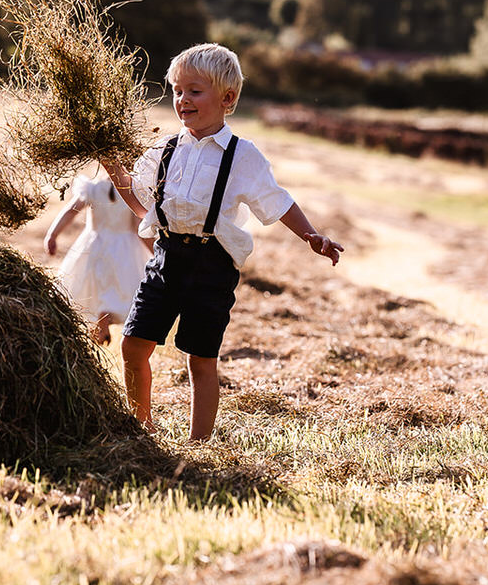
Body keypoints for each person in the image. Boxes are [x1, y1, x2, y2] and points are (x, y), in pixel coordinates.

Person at [100, 43, 343, 441]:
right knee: (133, 344)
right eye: (177, 91)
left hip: (211, 267)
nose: (182, 100)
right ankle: (140, 427)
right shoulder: (164, 149)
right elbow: (139, 199)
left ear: (227, 98)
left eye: (194, 91)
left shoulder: (242, 155)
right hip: (165, 258)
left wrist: (311, 236)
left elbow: (277, 200)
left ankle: (200, 442)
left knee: (200, 358)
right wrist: (113, 166)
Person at [45, 170, 153, 346]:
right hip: (124, 247)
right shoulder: (131, 191)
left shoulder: (92, 187)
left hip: (94, 244)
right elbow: (139, 229)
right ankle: (106, 316)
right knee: (121, 290)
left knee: (93, 287)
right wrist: (156, 253)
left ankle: (100, 320)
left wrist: (52, 234)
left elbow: (70, 211)